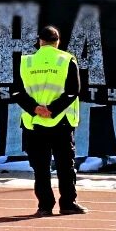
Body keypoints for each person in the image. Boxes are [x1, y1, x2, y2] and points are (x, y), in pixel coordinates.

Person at [15, 25, 86, 216]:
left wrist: (35, 109)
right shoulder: (66, 59)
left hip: (34, 122)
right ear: (58, 42)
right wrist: (52, 110)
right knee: (65, 165)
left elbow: (16, 92)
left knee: (40, 167)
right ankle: (68, 204)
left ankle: (45, 206)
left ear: (40, 41)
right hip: (61, 121)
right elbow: (73, 90)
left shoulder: (26, 61)